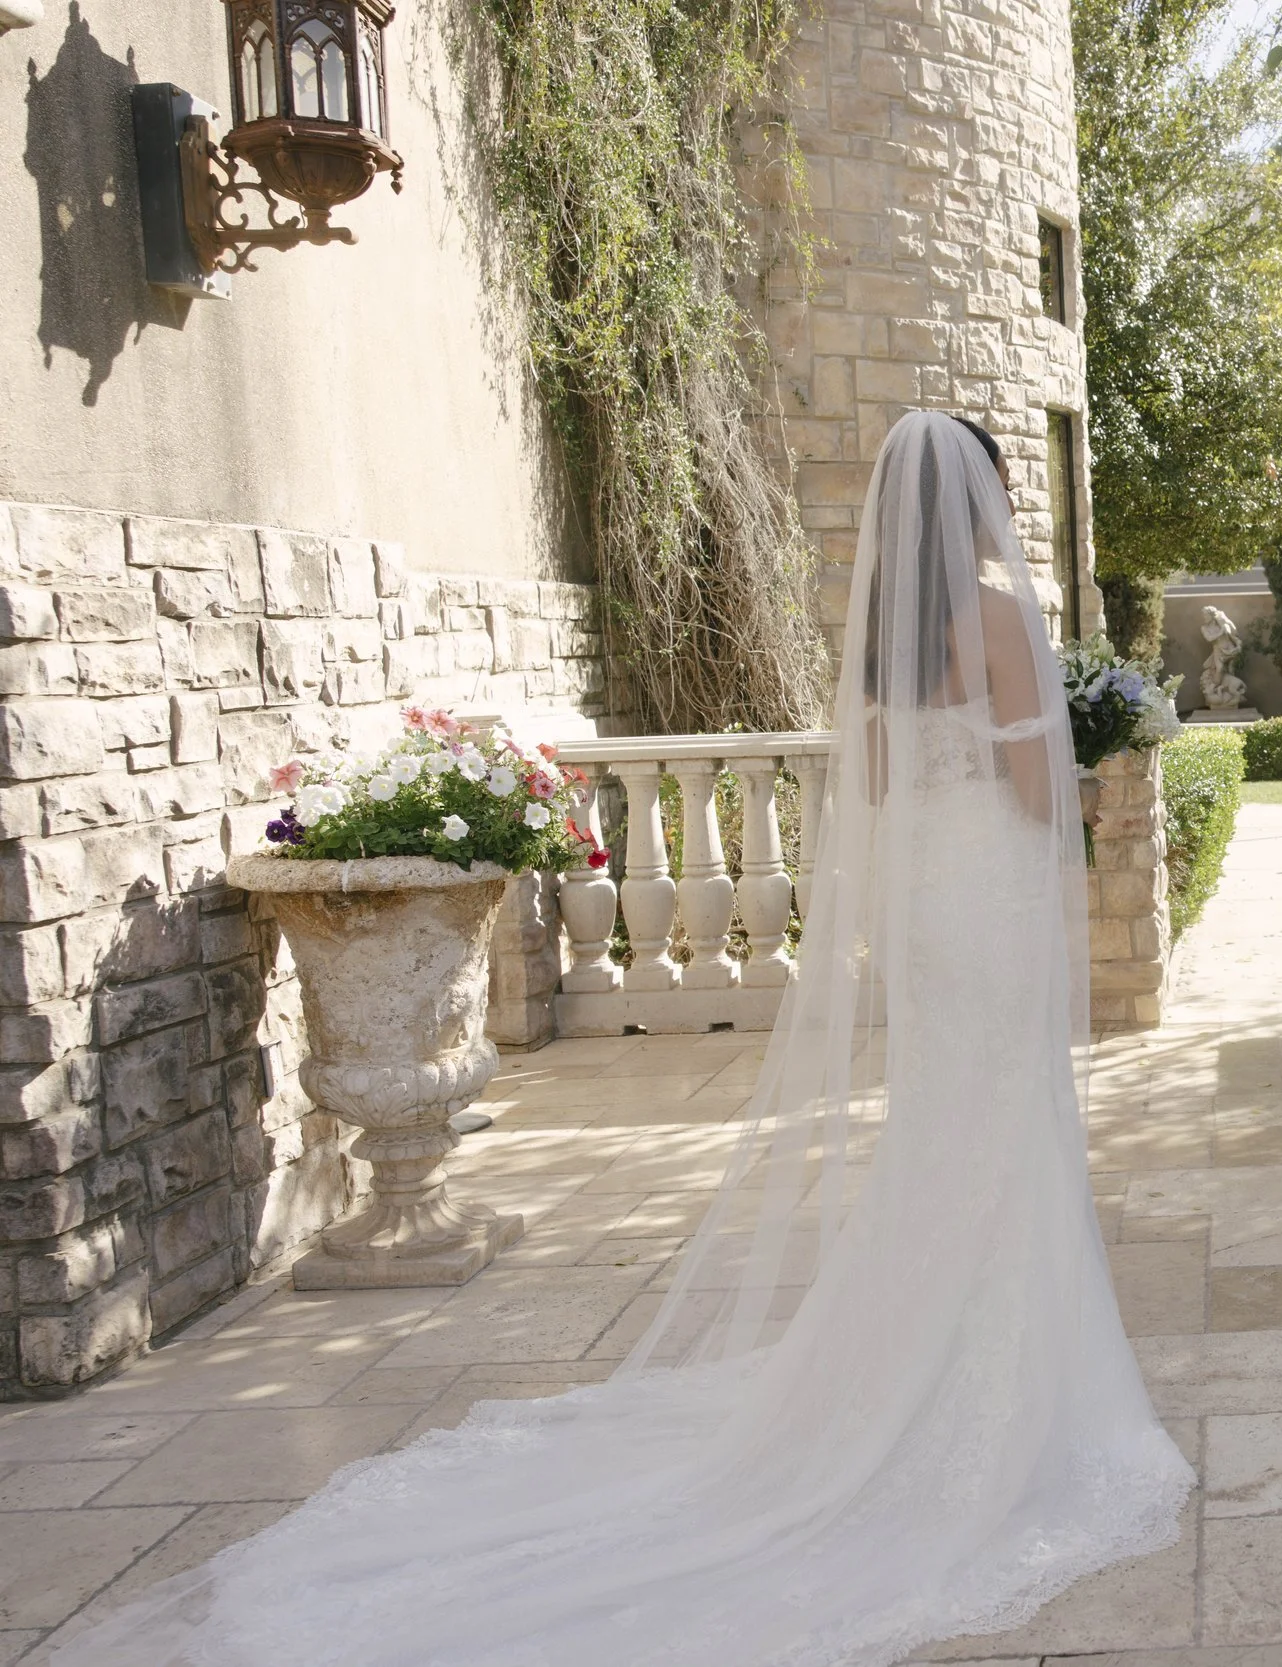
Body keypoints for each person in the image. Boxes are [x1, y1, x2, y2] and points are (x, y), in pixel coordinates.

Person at [41, 412, 1193, 1666]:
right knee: (1003, 1126)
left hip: (926, 912)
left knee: (945, 1132)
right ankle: (995, 1394)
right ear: (977, 501)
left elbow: (871, 788)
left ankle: (923, 1362)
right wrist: (1078, 782)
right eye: (1000, 486)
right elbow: (1030, 791)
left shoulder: (886, 643)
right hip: (986, 896)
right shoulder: (993, 618)